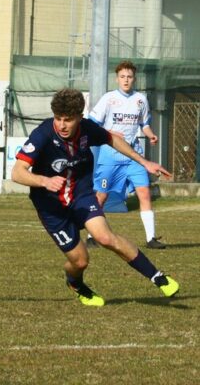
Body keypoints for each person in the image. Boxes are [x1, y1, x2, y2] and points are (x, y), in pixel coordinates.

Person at [11, 88, 179, 307]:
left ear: (80, 118)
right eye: (58, 118)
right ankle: (75, 284)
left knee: (105, 238)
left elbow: (113, 139)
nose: (62, 125)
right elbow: (17, 172)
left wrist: (144, 162)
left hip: (81, 196)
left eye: (68, 120)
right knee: (80, 261)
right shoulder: (43, 134)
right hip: (51, 206)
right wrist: (44, 181)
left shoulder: (87, 129)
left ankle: (158, 277)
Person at [86, 60, 165, 249]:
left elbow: (143, 124)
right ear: (117, 79)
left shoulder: (141, 99)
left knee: (144, 193)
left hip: (134, 156)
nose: (126, 80)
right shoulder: (108, 98)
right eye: (122, 77)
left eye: (129, 77)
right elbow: (92, 123)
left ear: (134, 79)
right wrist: (111, 134)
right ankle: (91, 236)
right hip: (110, 155)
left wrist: (150, 134)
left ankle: (151, 239)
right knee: (101, 197)